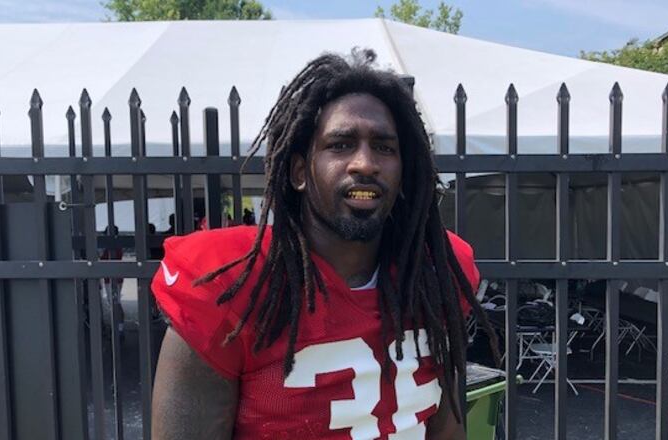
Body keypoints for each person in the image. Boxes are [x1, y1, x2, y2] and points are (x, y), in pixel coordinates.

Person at [150, 49, 497, 439]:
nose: (364, 163)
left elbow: (447, 428)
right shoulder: (230, 286)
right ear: (300, 171)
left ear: (405, 171)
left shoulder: (435, 272)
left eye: (384, 147)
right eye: (341, 144)